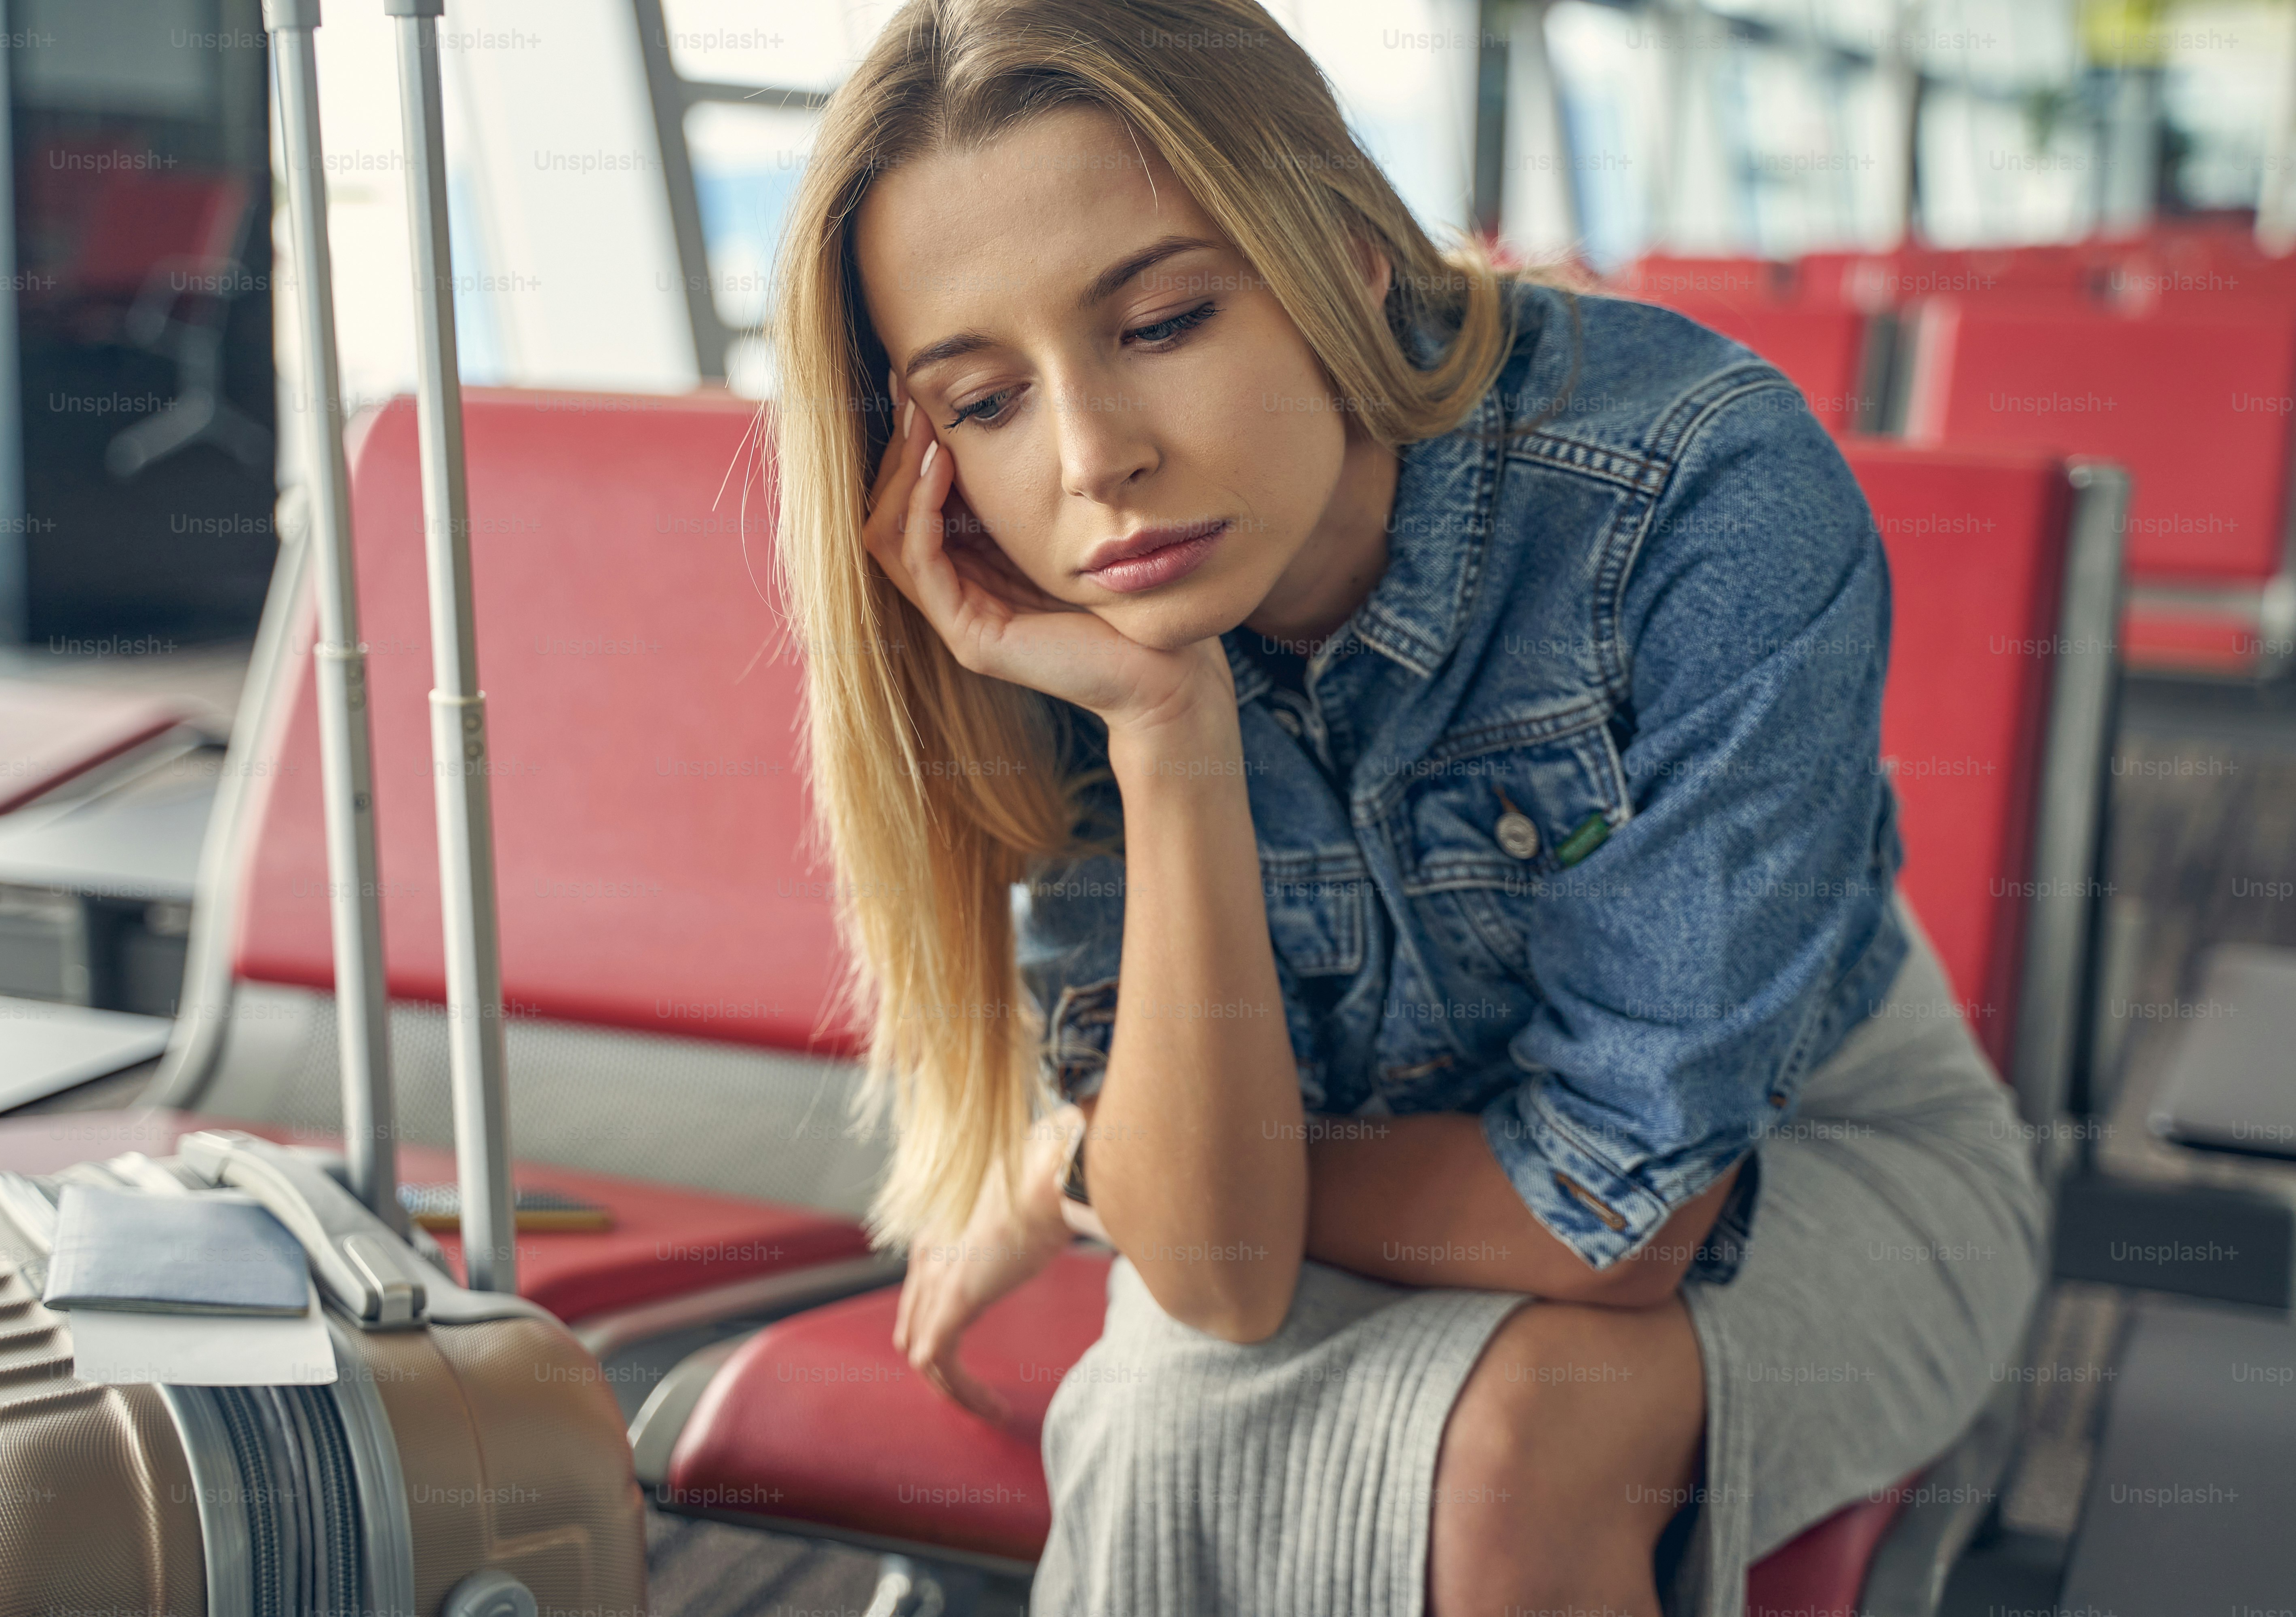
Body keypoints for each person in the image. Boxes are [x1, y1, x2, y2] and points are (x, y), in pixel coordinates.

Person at [764, 2, 2045, 1612]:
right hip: (1409, 1178)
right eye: (985, 401)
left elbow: (1614, 1219)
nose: (1095, 460)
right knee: (1168, 1413)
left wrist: (1091, 1168)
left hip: (1818, 1143)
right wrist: (1167, 727)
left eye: (1162, 321)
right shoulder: (1048, 601)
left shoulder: (1700, 486)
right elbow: (1225, 1285)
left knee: (1517, 1450)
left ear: (1347, 252)